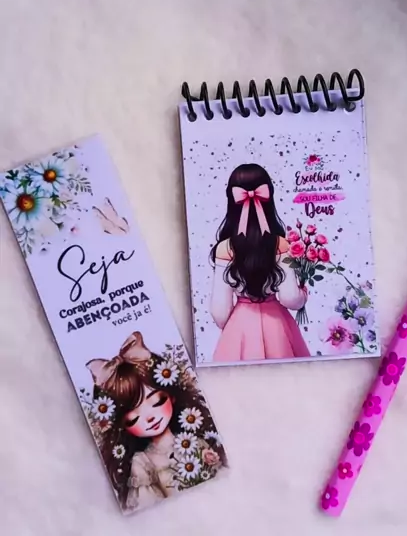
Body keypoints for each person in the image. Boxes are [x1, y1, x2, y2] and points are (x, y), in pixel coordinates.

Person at [85, 331, 226, 512]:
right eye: (135, 415)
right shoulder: (142, 463)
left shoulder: (196, 442)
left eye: (157, 402)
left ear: (171, 396)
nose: (150, 417)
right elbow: (152, 510)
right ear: (121, 424)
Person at [210, 163, 310, 362]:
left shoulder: (224, 248)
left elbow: (219, 311)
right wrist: (303, 294)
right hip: (278, 326)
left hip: (240, 327)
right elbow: (290, 298)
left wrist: (231, 329)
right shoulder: (280, 244)